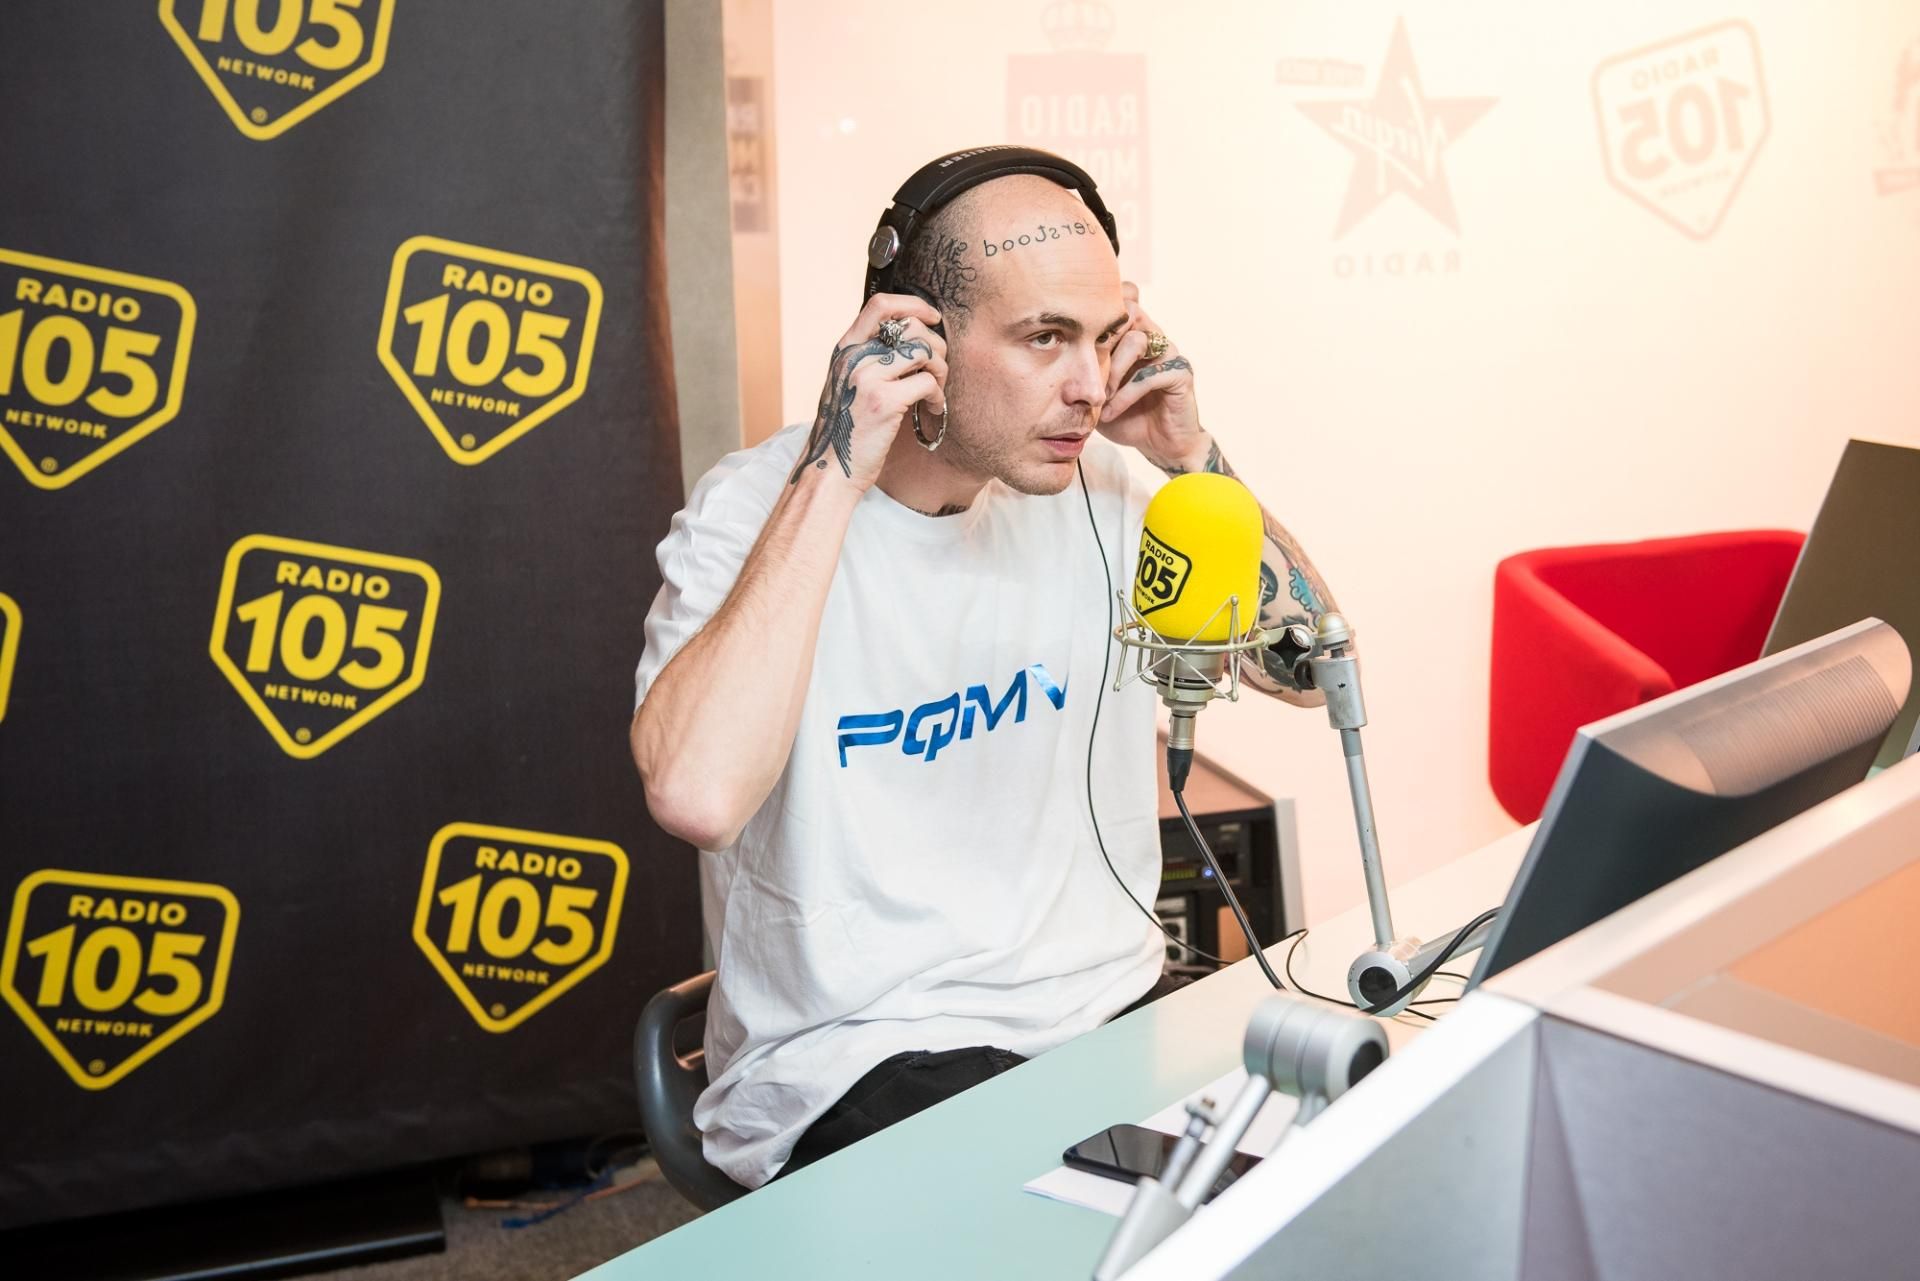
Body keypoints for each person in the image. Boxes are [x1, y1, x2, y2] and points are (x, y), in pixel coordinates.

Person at [629, 152, 1339, 1191]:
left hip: (1108, 1010)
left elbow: (1311, 670)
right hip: (860, 1053)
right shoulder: (757, 512)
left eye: (1103, 337)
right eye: (1045, 338)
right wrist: (837, 467)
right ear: (914, 338)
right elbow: (697, 795)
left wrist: (1194, 460)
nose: (1089, 385)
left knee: (1334, 1186)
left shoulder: (1102, 485)